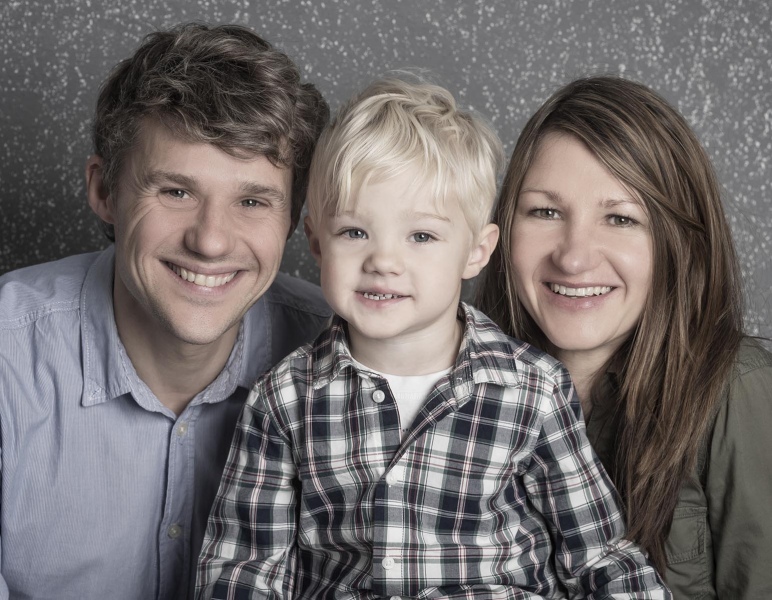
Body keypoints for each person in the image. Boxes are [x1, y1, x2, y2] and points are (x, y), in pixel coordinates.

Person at [196, 75, 670, 599]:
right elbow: (244, 568)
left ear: (476, 250)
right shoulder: (284, 399)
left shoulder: (532, 390)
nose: (383, 262)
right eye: (355, 232)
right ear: (316, 242)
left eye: (421, 236)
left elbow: (599, 556)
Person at [0, 22, 331, 600]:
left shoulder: (344, 358)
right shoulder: (7, 357)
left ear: (292, 220)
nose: (210, 241)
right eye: (176, 191)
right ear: (105, 190)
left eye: (252, 201)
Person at [476, 75, 772, 598]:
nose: (573, 256)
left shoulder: (740, 391)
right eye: (545, 211)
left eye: (620, 218)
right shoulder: (461, 389)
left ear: (677, 243)